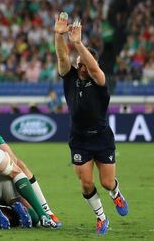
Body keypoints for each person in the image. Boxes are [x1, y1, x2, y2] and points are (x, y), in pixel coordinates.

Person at [55, 13, 128, 235]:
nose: (80, 66)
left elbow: (95, 69)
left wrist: (78, 43)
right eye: (79, 63)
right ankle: (101, 217)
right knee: (86, 183)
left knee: (106, 183)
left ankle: (115, 193)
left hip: (101, 137)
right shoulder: (70, 78)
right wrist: (59, 36)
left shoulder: (100, 81)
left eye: (84, 63)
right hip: (79, 139)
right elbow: (62, 59)